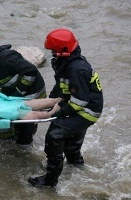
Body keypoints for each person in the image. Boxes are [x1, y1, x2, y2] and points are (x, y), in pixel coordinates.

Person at [28, 28, 104, 187]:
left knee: (55, 135)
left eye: (53, 50)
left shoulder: (77, 68)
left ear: (62, 50)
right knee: (71, 141)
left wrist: (60, 112)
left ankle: (50, 180)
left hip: (86, 111)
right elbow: (61, 86)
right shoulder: (64, 62)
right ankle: (77, 166)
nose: (51, 54)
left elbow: (80, 102)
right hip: (81, 105)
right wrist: (49, 103)